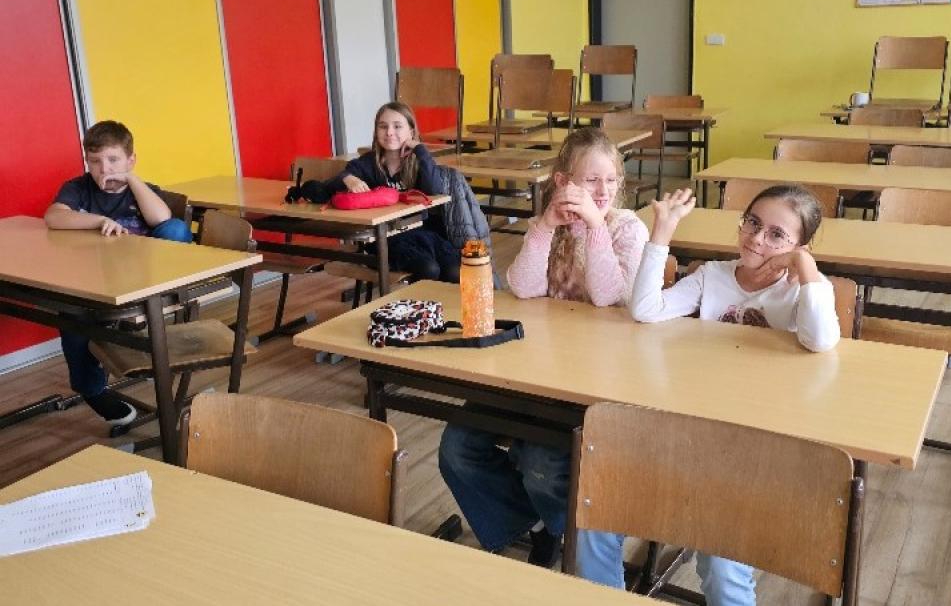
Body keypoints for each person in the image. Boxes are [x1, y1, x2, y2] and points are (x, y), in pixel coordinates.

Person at [577, 184, 840, 605]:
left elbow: (821, 340)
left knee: (721, 564)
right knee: (594, 523)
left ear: (800, 246)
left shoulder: (801, 291)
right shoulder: (712, 276)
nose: (757, 238)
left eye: (777, 235)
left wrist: (805, 267)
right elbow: (645, 310)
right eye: (753, 223)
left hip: (750, 451)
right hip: (684, 433)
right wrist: (662, 231)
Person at [438, 127, 649, 567]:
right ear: (562, 182)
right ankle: (535, 525)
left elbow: (609, 296)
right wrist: (545, 227)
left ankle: (562, 531)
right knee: (457, 448)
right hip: (536, 370)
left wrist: (595, 227)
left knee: (541, 464)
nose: (603, 190)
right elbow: (523, 287)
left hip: (596, 381)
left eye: (611, 180)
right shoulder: (550, 226)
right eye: (591, 180)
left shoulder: (627, 228)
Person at [44, 120, 192, 426]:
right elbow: (54, 217)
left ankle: (142, 327)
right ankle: (92, 391)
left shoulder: (142, 190)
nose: (105, 169)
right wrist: (98, 221)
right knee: (69, 312)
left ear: (131, 160)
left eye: (113, 160)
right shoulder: (78, 188)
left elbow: (163, 219)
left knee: (175, 228)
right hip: (96, 282)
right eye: (95, 162)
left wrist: (131, 180)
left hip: (143, 282)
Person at [326, 101, 460, 283]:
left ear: (411, 132)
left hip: (424, 232)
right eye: (383, 126)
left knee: (454, 271)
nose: (389, 132)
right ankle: (415, 302)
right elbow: (334, 181)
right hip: (386, 238)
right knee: (428, 268)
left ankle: (437, 303)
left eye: (397, 126)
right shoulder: (368, 163)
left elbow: (434, 190)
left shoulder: (418, 161)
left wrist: (420, 149)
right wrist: (348, 178)